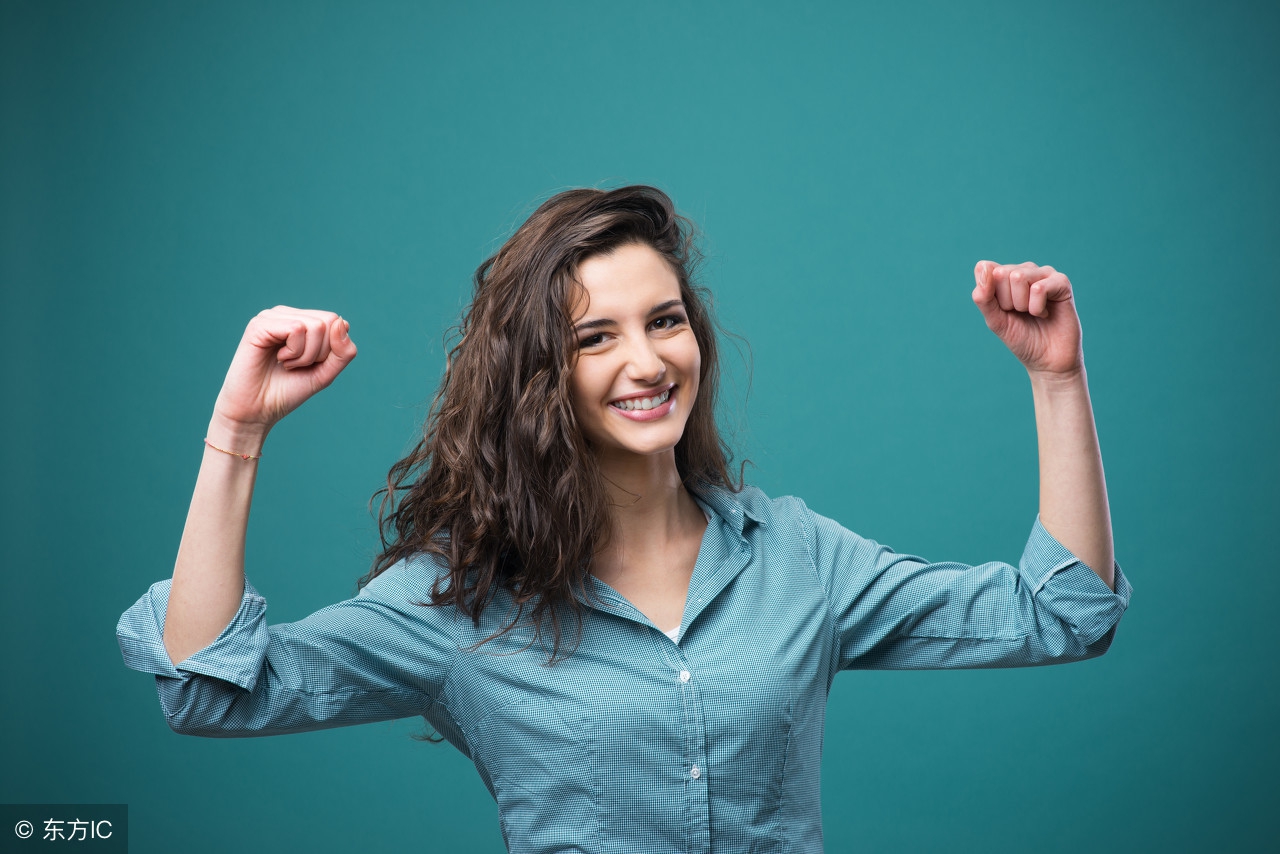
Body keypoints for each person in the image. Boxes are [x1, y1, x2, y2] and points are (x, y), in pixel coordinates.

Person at [117, 185, 1130, 853]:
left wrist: (1055, 379)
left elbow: (1063, 611)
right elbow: (209, 687)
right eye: (594, 336)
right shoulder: (459, 599)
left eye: (664, 320)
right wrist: (237, 431)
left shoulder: (798, 560)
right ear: (535, 378)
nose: (646, 362)